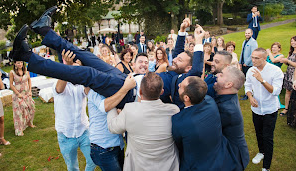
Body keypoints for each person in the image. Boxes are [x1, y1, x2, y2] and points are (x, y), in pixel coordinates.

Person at [11, 8, 203, 110]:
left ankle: (26, 56)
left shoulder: (183, 85)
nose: (175, 59)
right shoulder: (175, 68)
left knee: (87, 74)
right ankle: (44, 29)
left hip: (130, 94)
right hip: (128, 79)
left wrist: (200, 42)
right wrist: (182, 31)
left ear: (188, 70)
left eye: (180, 61)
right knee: (87, 56)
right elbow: (180, 52)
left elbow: (196, 67)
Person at [107, 72, 180, 171]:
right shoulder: (174, 110)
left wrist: (112, 105)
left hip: (139, 168)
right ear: (162, 91)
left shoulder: (130, 110)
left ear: (140, 91)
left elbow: (113, 127)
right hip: (168, 167)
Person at [172, 76, 237, 171]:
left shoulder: (179, 121)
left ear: (186, 98)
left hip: (197, 167)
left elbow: (178, 145)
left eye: (181, 86)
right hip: (222, 159)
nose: (178, 84)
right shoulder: (210, 101)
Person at [53, 51, 96, 171]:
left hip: (84, 130)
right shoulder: (59, 82)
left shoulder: (82, 85)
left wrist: (83, 73)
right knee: (72, 167)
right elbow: (59, 89)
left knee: (93, 161)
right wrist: (69, 66)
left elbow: (88, 92)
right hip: (66, 134)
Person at [245, 48, 284, 171]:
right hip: (256, 109)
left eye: (257, 58)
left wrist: (261, 80)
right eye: (252, 57)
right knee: (258, 133)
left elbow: (276, 91)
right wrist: (250, 97)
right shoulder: (251, 70)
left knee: (268, 137)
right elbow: (248, 85)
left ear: (265, 58)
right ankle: (261, 152)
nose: (253, 60)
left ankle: (266, 167)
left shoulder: (276, 71)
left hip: (270, 110)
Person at [213, 66, 250, 171]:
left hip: (232, 157)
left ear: (228, 84)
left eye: (222, 74)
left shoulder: (227, 110)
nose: (217, 75)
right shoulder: (228, 96)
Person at [279, 36, 296, 116]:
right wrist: (283, 61)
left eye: (295, 41)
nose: (293, 43)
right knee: (288, 91)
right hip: (289, 73)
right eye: (291, 41)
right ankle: (286, 108)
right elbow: (288, 62)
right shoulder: (291, 51)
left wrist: (288, 61)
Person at [9, 61, 35, 136]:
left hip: (26, 92)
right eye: (18, 63)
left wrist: (30, 91)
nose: (20, 64)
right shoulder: (12, 72)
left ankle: (29, 123)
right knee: (19, 111)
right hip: (18, 94)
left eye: (21, 62)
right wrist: (17, 93)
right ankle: (19, 129)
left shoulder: (26, 70)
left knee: (31, 107)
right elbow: (11, 84)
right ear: (15, 64)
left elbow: (29, 80)